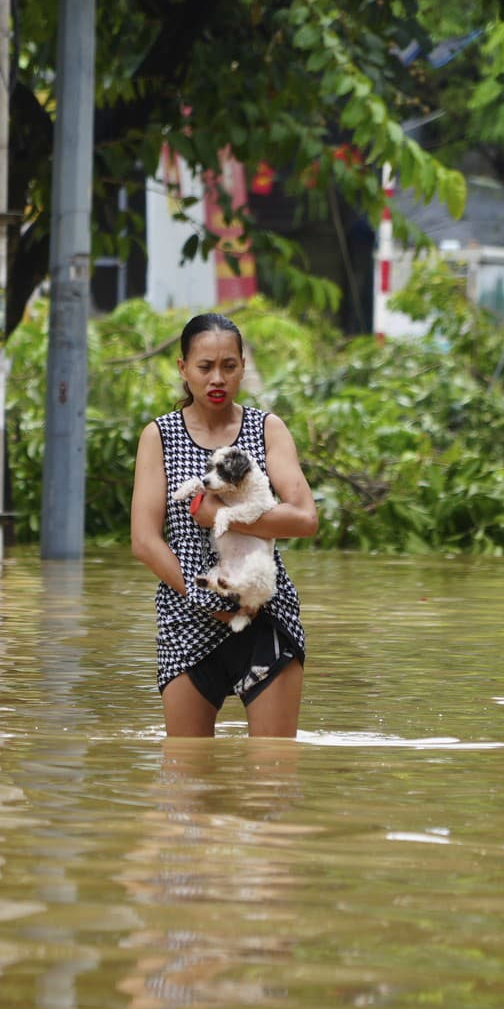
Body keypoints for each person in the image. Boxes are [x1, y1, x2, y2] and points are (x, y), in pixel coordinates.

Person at [130, 313, 318, 739]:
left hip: (263, 616)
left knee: (271, 781)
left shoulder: (267, 429)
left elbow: (304, 519)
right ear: (183, 369)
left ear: (242, 367)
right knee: (185, 781)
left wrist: (220, 516)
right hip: (186, 618)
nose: (217, 378)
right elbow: (144, 542)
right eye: (205, 366)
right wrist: (204, 598)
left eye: (229, 366)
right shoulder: (159, 436)